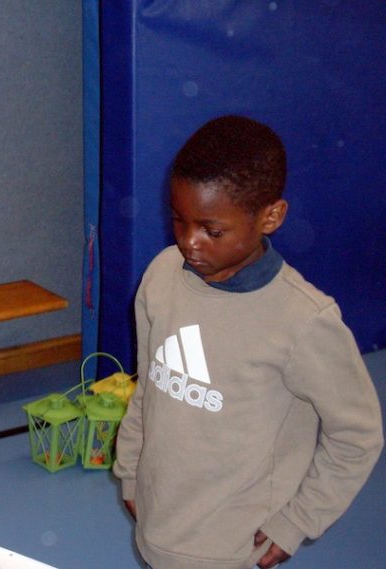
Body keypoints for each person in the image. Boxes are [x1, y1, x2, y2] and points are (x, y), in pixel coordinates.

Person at [113, 115, 383, 569]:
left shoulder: (304, 320)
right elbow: (149, 389)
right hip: (158, 525)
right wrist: (130, 471)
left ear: (271, 217)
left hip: (234, 546)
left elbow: (356, 436)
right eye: (179, 221)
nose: (189, 242)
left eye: (211, 230)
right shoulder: (161, 276)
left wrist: (297, 520)